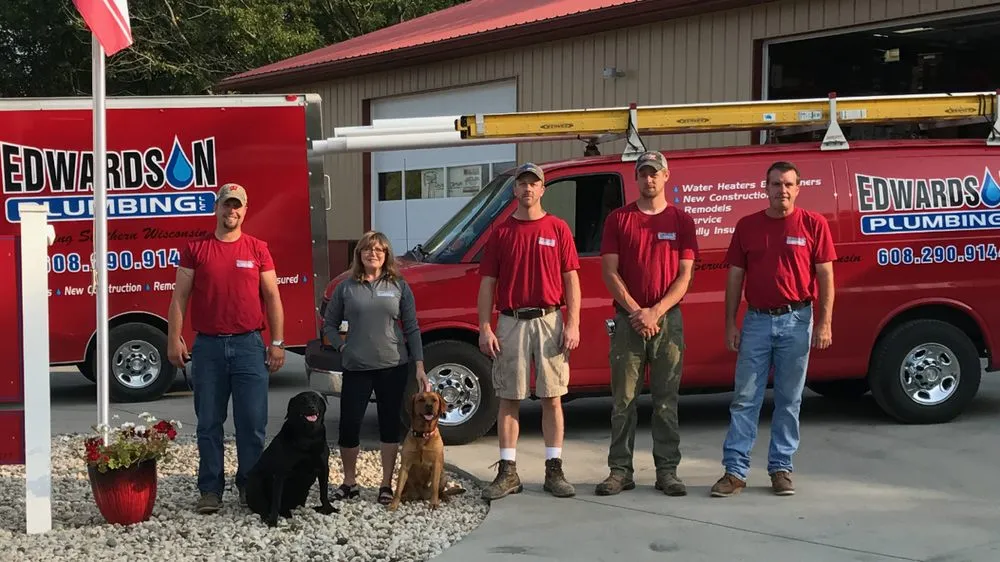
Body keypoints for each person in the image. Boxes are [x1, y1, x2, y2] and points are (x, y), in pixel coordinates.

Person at [711, 160, 836, 498]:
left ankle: (781, 468)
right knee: (745, 398)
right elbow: (735, 277)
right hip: (756, 322)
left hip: (798, 320)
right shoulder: (747, 226)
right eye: (776, 184)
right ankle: (735, 472)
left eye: (788, 184)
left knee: (789, 399)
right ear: (765, 188)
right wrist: (730, 323)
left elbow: (826, 276)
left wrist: (824, 322)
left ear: (798, 188)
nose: (782, 190)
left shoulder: (814, 224)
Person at [167, 183, 286, 514]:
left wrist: (276, 342)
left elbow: (273, 297)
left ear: (245, 210)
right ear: (216, 208)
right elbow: (179, 297)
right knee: (208, 422)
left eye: (237, 206)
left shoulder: (257, 249)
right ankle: (210, 489)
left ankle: (250, 485)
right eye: (226, 205)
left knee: (252, 422)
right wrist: (174, 337)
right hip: (207, 348)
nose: (231, 211)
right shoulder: (196, 249)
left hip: (250, 345)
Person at [595, 151, 698, 497]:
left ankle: (667, 471)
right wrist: (638, 311)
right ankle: (619, 471)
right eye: (643, 174)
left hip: (669, 322)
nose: (649, 179)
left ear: (667, 176)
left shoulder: (682, 221)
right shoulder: (618, 220)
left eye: (655, 173)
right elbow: (609, 272)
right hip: (628, 322)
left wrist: (656, 311)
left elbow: (685, 277)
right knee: (623, 402)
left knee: (666, 400)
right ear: (636, 178)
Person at [477, 162, 581, 501]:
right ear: (515, 191)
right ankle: (508, 472)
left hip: (550, 320)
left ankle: (554, 469)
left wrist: (573, 321)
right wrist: (484, 327)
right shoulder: (501, 233)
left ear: (542, 189)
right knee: (510, 397)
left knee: (552, 396)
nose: (527, 189)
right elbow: (487, 283)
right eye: (522, 184)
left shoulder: (558, 228)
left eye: (533, 184)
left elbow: (571, 279)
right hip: (511, 321)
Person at [321, 231, 431, 506]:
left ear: (387, 256)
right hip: (357, 366)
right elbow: (329, 324)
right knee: (349, 424)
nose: (374, 254)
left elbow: (412, 327)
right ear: (359, 254)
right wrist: (342, 346)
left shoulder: (398, 286)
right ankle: (349, 482)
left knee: (389, 426)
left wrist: (419, 365)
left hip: (392, 365)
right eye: (368, 250)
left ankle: (385, 484)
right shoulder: (346, 287)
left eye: (379, 250)